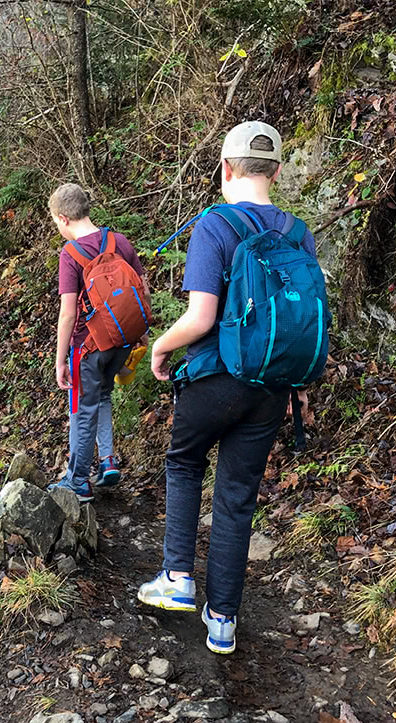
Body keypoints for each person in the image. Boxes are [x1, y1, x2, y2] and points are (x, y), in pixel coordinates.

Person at [137, 121, 317, 655]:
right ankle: (222, 621)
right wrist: (300, 389)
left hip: (216, 378)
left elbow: (200, 317)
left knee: (185, 461)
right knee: (237, 498)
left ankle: (177, 577)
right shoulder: (297, 232)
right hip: (272, 387)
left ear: (226, 169)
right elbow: (303, 319)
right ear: (278, 171)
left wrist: (160, 346)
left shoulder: (214, 226)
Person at [46, 183, 150, 502]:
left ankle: (77, 481)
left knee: (82, 409)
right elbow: (143, 288)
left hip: (87, 348)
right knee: (103, 396)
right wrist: (140, 332)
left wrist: (60, 359)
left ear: (63, 219)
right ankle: (107, 461)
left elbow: (67, 313)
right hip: (122, 342)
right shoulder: (119, 242)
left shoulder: (71, 254)